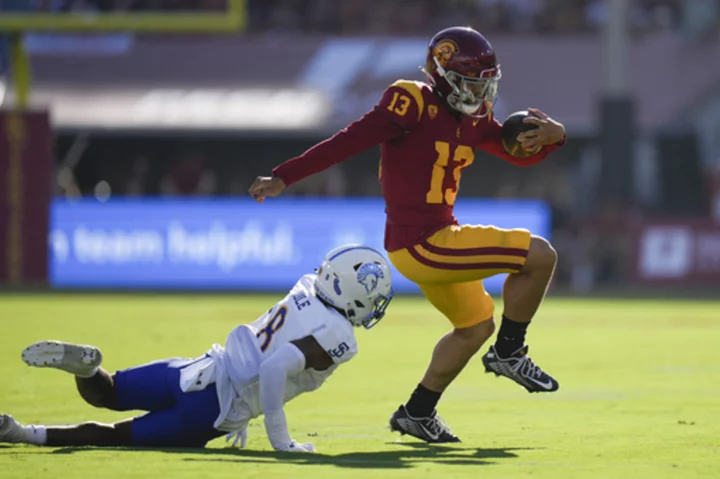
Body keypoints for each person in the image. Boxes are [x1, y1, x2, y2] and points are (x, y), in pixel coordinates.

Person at [248, 26, 565, 443]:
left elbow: (516, 155)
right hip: (423, 242)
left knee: (474, 325)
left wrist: (555, 135)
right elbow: (348, 141)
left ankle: (417, 413)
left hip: (436, 239)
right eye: (472, 82)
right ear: (445, 74)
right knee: (539, 255)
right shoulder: (411, 101)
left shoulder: (474, 119)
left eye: (486, 81)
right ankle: (510, 352)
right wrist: (284, 177)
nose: (481, 92)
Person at [0, 244, 394, 452]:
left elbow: (266, 353)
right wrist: (279, 439)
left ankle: (86, 369)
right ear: (355, 295)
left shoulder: (308, 284)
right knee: (112, 435)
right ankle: (21, 433)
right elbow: (274, 369)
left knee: (111, 390)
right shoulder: (339, 334)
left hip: (199, 367)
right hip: (211, 409)